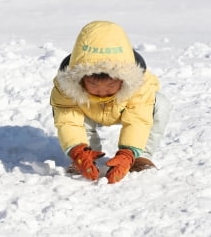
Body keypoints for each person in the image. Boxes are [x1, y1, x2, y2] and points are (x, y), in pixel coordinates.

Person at [50, 20, 172, 184]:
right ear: (80, 79)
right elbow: (68, 121)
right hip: (88, 111)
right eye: (93, 85)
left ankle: (141, 156)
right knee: (74, 115)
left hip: (123, 109)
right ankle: (87, 155)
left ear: (123, 79)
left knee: (160, 105)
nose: (102, 92)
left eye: (110, 85)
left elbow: (138, 120)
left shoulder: (139, 85)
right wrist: (77, 150)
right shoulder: (66, 86)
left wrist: (128, 152)